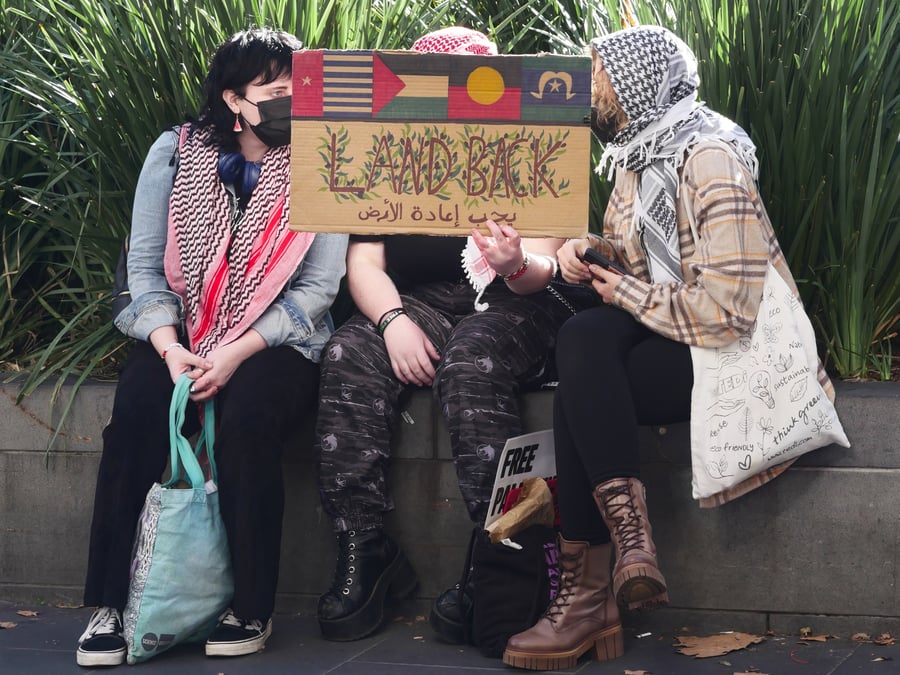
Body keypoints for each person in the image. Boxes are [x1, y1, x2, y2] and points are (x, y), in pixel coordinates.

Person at [502, 25, 838, 671]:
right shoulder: (638, 156)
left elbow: (727, 312)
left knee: (582, 377)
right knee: (581, 340)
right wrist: (587, 255)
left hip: (728, 351)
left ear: (636, 84)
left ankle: (589, 595)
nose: (589, 87)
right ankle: (628, 548)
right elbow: (636, 259)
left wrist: (623, 291)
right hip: (672, 332)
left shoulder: (709, 160)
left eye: (599, 73)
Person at [313, 26, 596, 643]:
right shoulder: (386, 150)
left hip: (520, 301)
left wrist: (513, 261)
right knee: (346, 351)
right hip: (418, 303)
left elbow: (544, 274)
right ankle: (364, 545)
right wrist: (392, 323)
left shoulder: (531, 146)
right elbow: (364, 264)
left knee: (470, 363)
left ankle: (496, 559)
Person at [75, 28, 348, 666]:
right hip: (181, 330)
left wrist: (235, 352)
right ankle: (112, 603)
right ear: (233, 98)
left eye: (297, 89)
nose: (291, 102)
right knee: (140, 410)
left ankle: (251, 607)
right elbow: (143, 270)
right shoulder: (175, 153)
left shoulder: (323, 157)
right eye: (275, 91)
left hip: (279, 338)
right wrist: (172, 349)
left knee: (249, 421)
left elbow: (316, 290)